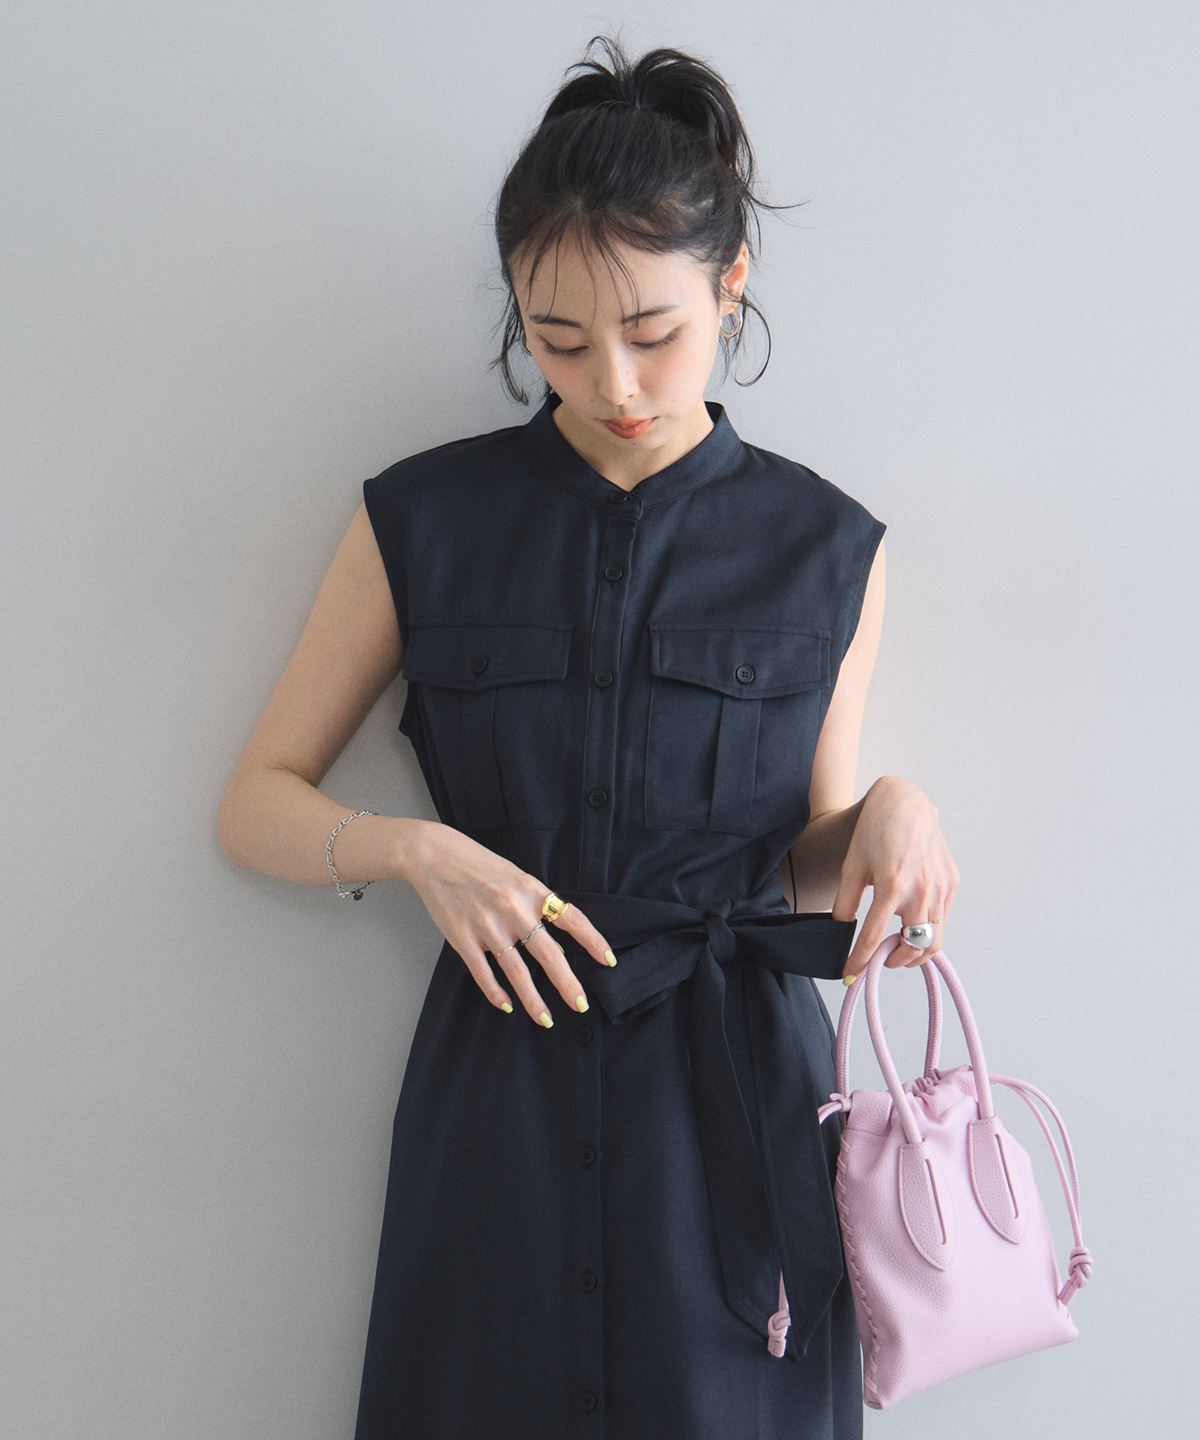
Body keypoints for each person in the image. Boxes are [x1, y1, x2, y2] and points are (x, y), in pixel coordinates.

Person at [217, 33, 960, 1440]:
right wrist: (418, 850)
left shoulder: (824, 546)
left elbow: (805, 868)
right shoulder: (422, 521)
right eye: (557, 340)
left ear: (731, 284)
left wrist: (889, 814)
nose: (610, 380)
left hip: (735, 1114)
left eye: (653, 333)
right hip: (497, 1088)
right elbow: (254, 800)